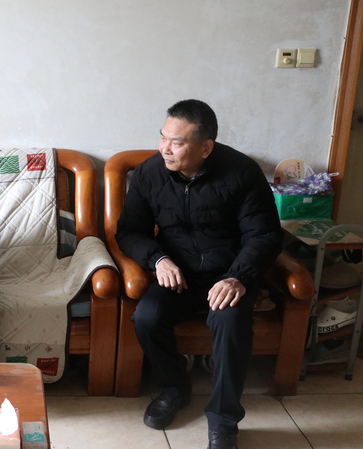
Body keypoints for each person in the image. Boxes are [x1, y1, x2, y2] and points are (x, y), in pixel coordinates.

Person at [115, 100, 282, 449]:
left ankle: (223, 420)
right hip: (178, 273)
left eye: (176, 142)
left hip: (229, 274)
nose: (165, 148)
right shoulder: (149, 173)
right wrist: (158, 259)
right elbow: (129, 231)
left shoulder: (241, 172)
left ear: (205, 147)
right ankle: (174, 388)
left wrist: (239, 276)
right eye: (163, 137)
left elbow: (264, 234)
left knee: (230, 322)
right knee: (146, 317)